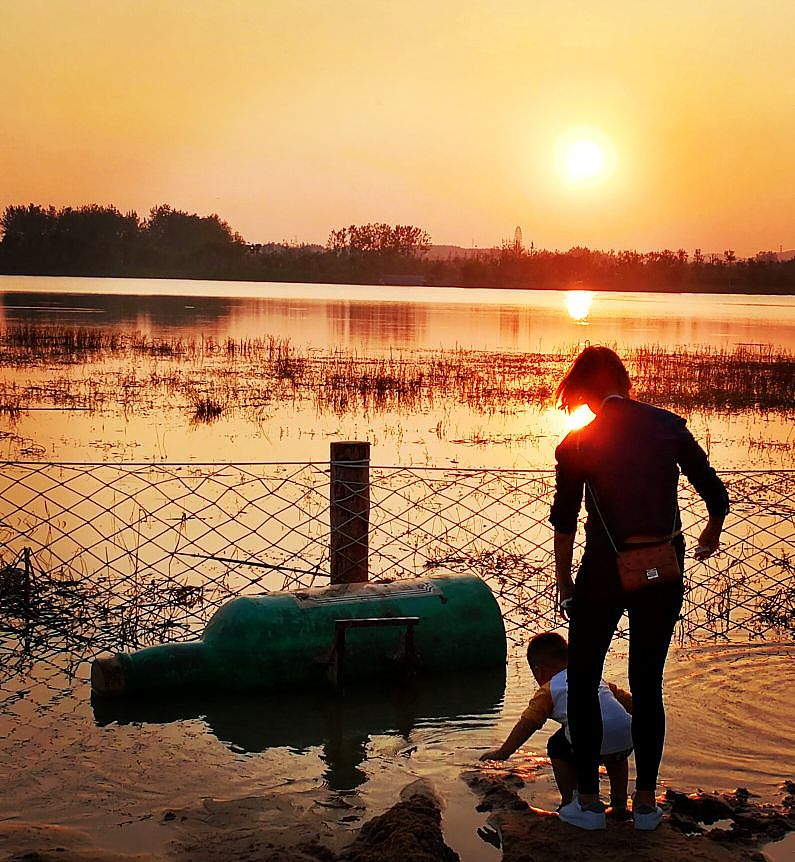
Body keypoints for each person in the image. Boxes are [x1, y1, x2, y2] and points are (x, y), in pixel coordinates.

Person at [550, 346, 729, 831]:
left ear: (585, 387)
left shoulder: (578, 443)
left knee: (584, 681)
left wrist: (565, 582)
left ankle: (587, 804)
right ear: (625, 382)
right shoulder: (669, 426)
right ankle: (646, 805)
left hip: (605, 574)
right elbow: (716, 493)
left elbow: (564, 523)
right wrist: (709, 533)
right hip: (663, 572)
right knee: (648, 684)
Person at [480, 632, 634, 821]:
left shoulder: (549, 689)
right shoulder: (593, 677)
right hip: (627, 736)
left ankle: (572, 802)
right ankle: (619, 803)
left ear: (539, 671)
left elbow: (528, 723)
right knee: (615, 752)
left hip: (592, 741)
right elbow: (629, 703)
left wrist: (504, 752)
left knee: (557, 745)